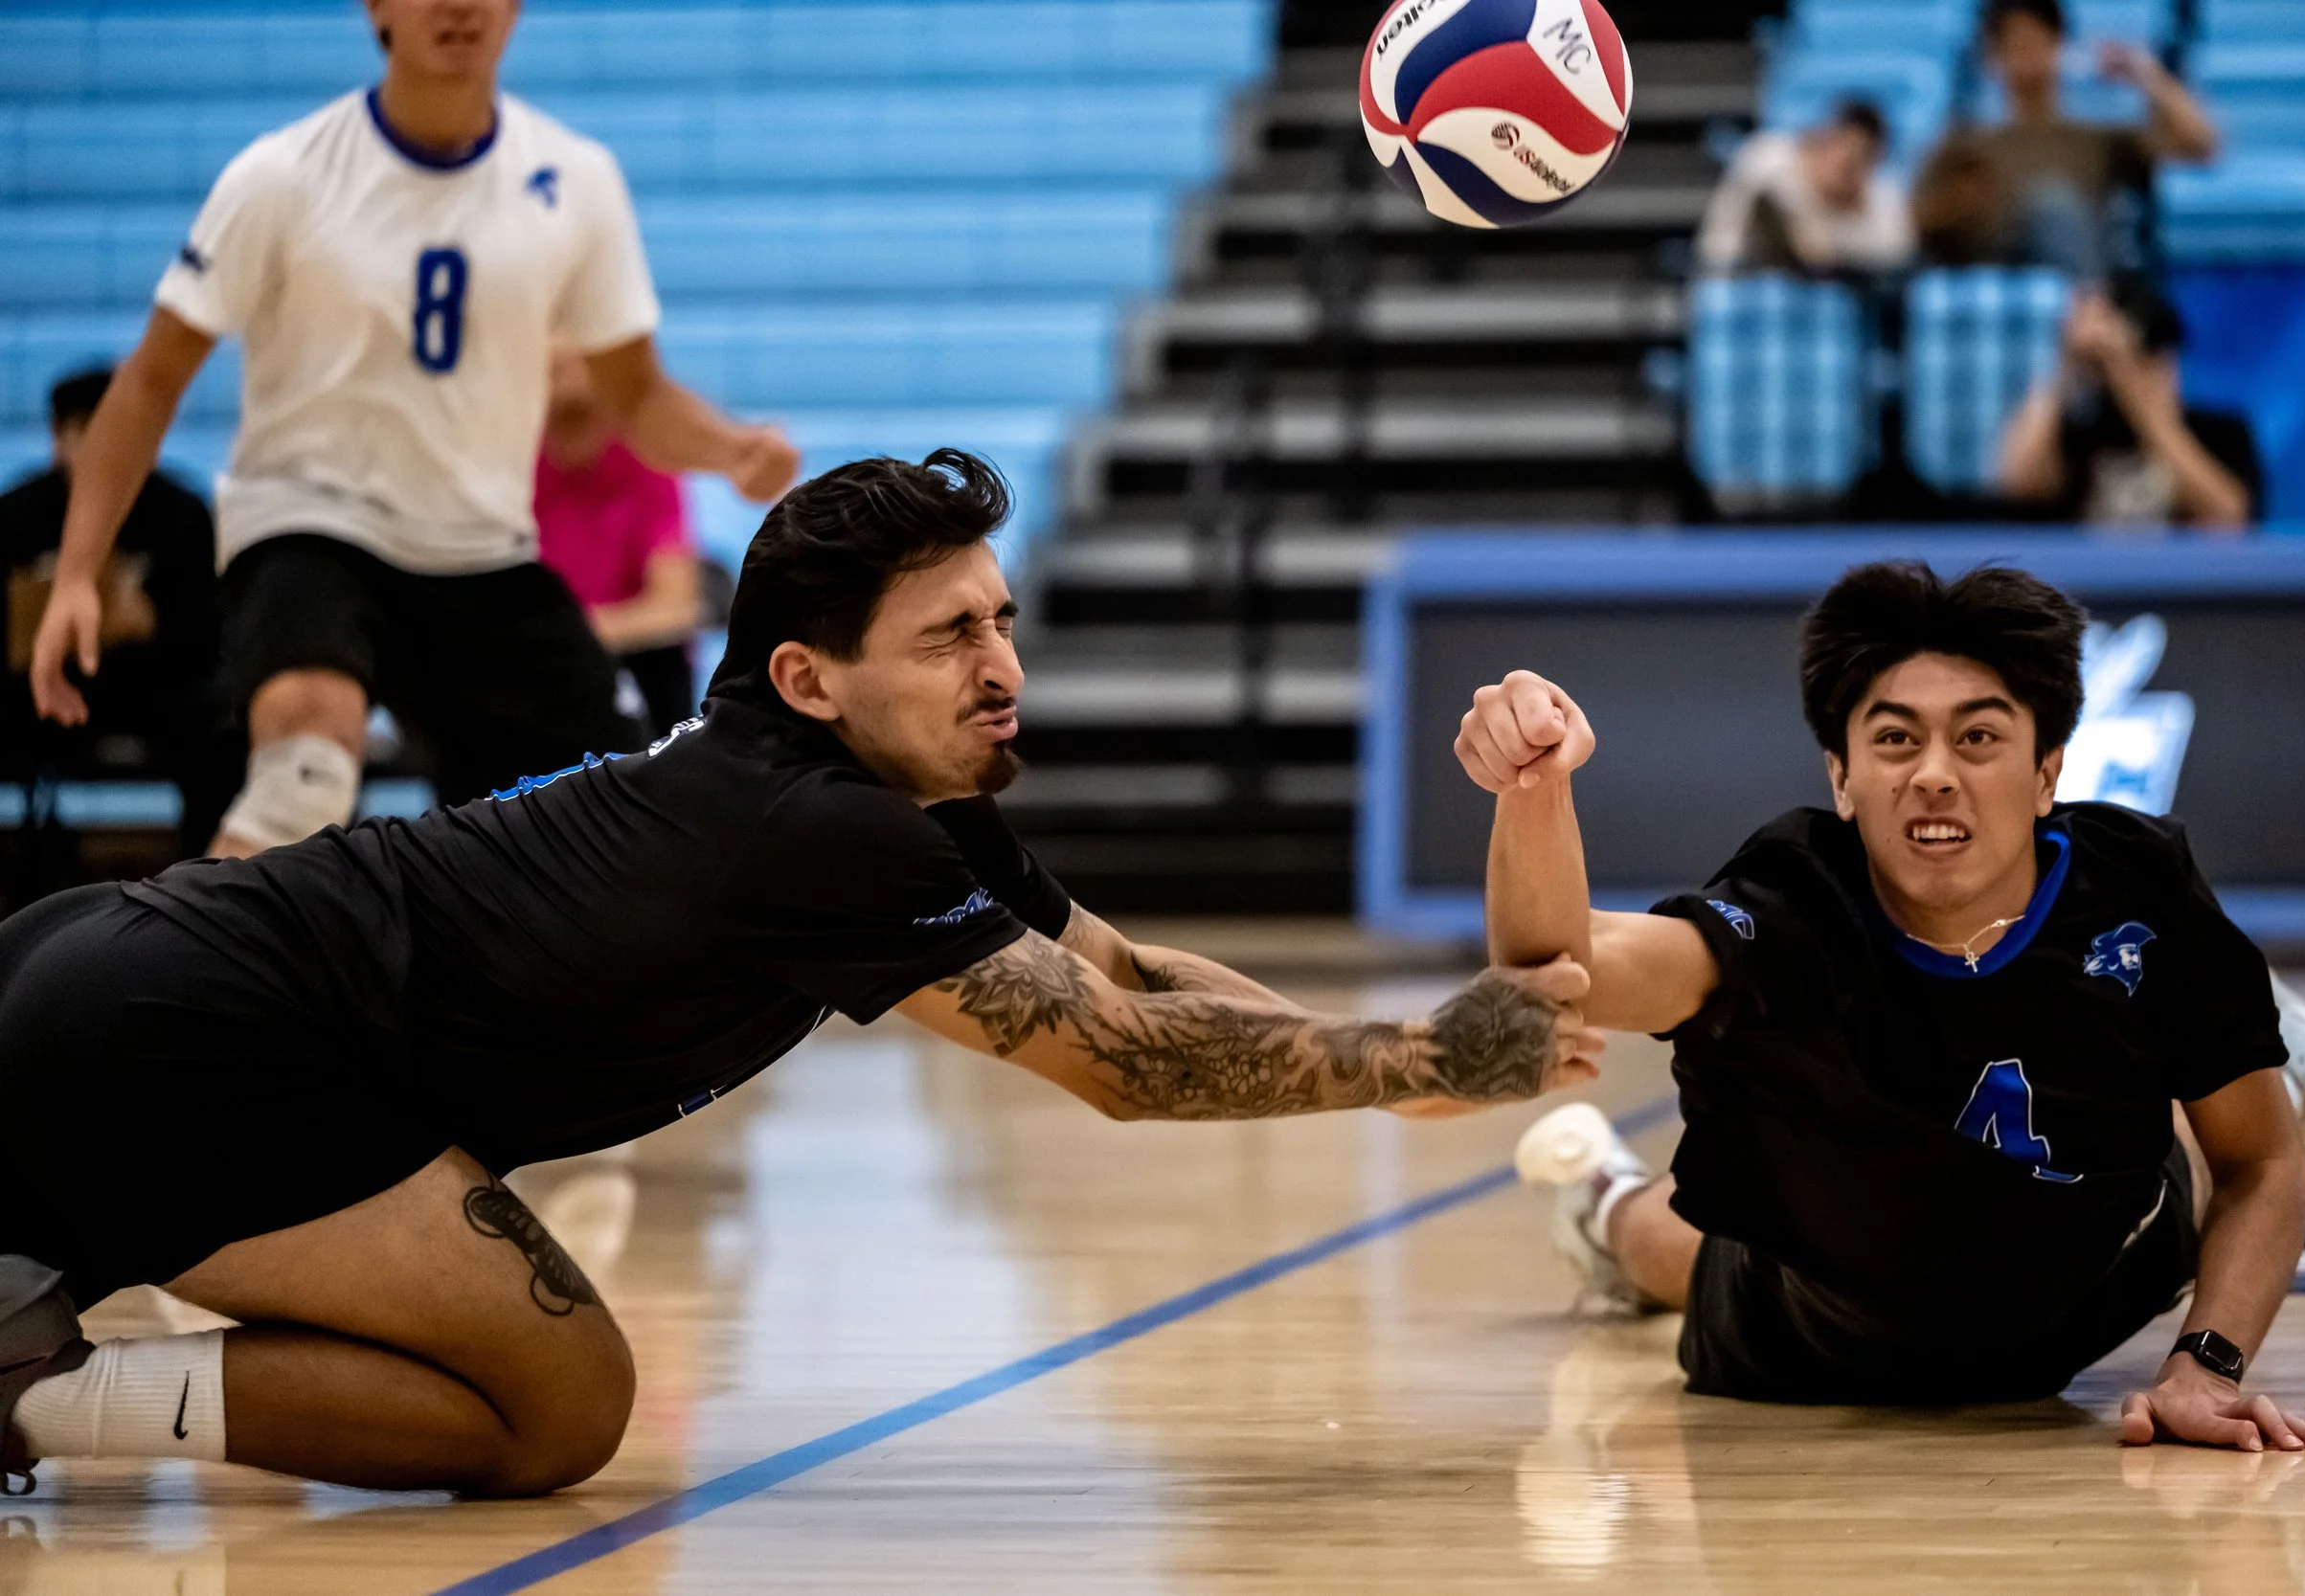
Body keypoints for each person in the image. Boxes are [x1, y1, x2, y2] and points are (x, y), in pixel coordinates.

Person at [0, 449, 1601, 1497]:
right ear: (805, 679)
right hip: (185, 1039)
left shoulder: (890, 805)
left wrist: (1402, 1058)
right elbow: (1117, 1061)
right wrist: (1424, 1057)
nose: (1002, 670)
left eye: (1002, 621)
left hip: (120, 980)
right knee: (557, 1405)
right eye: (949, 639)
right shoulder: (818, 832)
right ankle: (29, 1394)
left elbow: (1131, 973)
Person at [1459, 561, 2305, 1446]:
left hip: (2101, 1265)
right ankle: (1598, 1194)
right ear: (1841, 776)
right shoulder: (1788, 911)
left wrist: (2207, 1366)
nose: (1934, 771)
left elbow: (2260, 1164)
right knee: (1654, 1236)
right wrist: (1532, 785)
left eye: (1979, 735)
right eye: (1895, 738)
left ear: (2045, 773)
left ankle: (2249, 1050)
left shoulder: (2137, 895)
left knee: (2207, 1131)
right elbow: (1555, 969)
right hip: (1814, 1322)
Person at [25, 0, 799, 861]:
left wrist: (731, 449)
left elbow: (638, 395)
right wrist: (77, 574)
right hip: (311, 526)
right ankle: (166, 978)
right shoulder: (281, 175)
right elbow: (150, 381)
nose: (459, 5)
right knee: (303, 765)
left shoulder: (574, 178)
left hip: (480, 550)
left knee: (628, 807)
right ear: (378, 8)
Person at [0, 369, 231, 862]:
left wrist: (146, 624)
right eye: (87, 436)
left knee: (219, 724)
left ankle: (210, 873)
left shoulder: (180, 513)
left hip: (148, 685)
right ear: (59, 438)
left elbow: (209, 632)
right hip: (36, 688)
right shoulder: (16, 514)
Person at [1920, 0, 2215, 275]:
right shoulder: (1966, 142)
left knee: (2055, 210)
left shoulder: (2095, 139)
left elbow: (2201, 143)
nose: (2026, 51)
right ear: (1993, 55)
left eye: (2036, 38)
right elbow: (1916, 221)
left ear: (2059, 45)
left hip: (2078, 291)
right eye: (2013, 41)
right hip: (1996, 291)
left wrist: (2146, 74)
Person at [1996, 277, 2259, 528]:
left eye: (2145, 359)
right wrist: (2067, 363)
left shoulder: (2222, 432)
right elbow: (2019, 484)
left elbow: (2228, 514)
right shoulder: (2081, 432)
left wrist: (2133, 387)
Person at [535, 344, 703, 733]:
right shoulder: (507, 465)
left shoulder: (648, 459)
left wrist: (570, 636)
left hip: (616, 661)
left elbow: (675, 607)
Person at [1696, 101, 1913, 275]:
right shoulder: (1768, 160)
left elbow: (1896, 255)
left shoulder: (1883, 197)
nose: (1844, 169)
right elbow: (1718, 246)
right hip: (1750, 287)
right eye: (1841, 153)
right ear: (1820, 142)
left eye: (1859, 161)